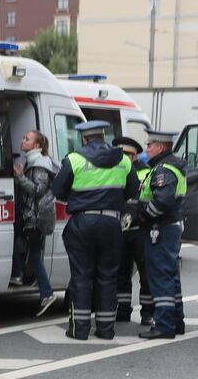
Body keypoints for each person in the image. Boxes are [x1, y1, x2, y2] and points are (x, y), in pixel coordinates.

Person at [51, 120, 138, 340]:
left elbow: (57, 190)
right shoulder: (123, 160)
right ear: (103, 136)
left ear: (84, 138)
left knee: (81, 276)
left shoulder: (75, 159)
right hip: (111, 223)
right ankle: (106, 329)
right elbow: (132, 189)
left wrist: (80, 199)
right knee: (108, 276)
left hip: (83, 222)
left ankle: (79, 330)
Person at [135, 129, 188, 340]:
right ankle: (176, 322)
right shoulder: (168, 166)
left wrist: (143, 217)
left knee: (160, 277)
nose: (147, 148)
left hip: (161, 228)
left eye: (150, 144)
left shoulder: (164, 169)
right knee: (171, 277)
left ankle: (165, 325)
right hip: (169, 227)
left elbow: (162, 201)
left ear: (162, 147)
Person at [8, 129, 60, 315]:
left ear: (36, 145)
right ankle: (19, 275)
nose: (22, 140)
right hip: (34, 216)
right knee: (29, 250)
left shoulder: (40, 165)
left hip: (36, 218)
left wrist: (20, 177)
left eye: (26, 138)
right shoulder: (35, 162)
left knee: (35, 257)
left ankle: (46, 293)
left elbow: (38, 190)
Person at [114, 136, 154, 327]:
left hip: (140, 230)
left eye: (127, 155)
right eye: (120, 154)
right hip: (121, 230)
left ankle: (147, 313)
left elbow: (146, 200)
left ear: (134, 155)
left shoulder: (146, 172)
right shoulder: (115, 172)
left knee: (145, 274)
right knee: (121, 272)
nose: (123, 158)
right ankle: (122, 309)